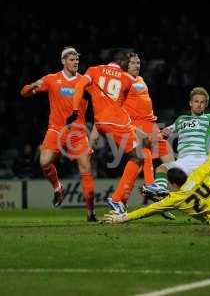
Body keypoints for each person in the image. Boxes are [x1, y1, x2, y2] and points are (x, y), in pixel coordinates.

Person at [66, 48, 146, 215]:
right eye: (130, 62)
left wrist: (75, 110)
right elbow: (122, 106)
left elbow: (80, 86)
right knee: (139, 155)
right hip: (117, 122)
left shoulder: (93, 70)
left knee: (141, 149)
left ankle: (120, 200)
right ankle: (118, 199)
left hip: (101, 122)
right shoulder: (127, 79)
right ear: (123, 62)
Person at [20, 47, 97, 221]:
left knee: (86, 170)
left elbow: (100, 101)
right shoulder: (51, 79)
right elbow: (24, 93)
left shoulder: (86, 81)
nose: (75, 62)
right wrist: (32, 86)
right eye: (71, 59)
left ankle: (91, 212)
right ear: (63, 61)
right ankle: (58, 188)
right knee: (44, 162)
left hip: (78, 132)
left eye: (77, 59)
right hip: (56, 129)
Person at [142, 86, 210, 197]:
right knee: (161, 168)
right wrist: (162, 133)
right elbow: (166, 131)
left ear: (206, 104)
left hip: (203, 160)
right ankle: (160, 192)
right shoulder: (181, 120)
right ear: (190, 103)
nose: (199, 104)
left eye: (202, 102)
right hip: (183, 161)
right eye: (196, 101)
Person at [120, 51, 175, 220]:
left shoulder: (141, 80)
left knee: (172, 165)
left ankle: (161, 201)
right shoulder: (122, 80)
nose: (137, 65)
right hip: (137, 128)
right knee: (137, 166)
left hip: (152, 127)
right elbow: (118, 109)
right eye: (133, 63)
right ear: (125, 65)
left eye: (138, 62)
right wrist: (132, 128)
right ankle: (121, 202)